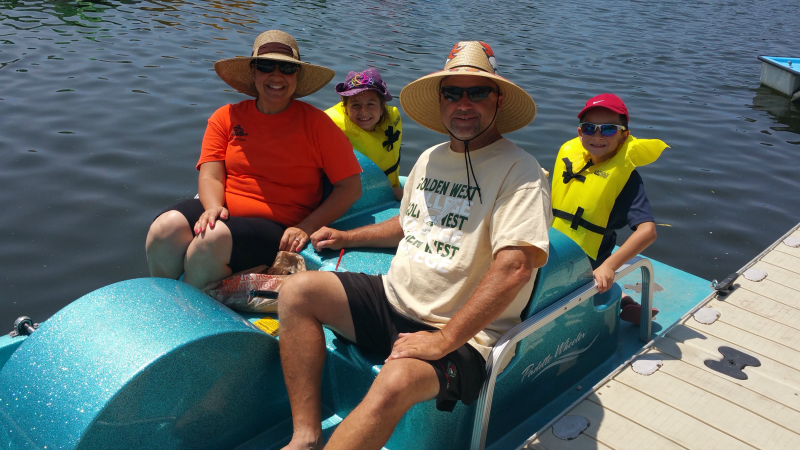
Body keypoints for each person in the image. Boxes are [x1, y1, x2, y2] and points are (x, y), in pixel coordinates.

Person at [277, 41, 551, 450]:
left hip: (461, 336)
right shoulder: (430, 158)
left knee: (396, 381)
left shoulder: (521, 170)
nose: (464, 104)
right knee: (299, 291)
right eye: (452, 92)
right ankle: (305, 435)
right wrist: (347, 237)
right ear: (440, 100)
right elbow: (408, 225)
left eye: (477, 92)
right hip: (392, 301)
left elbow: (515, 267)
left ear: (498, 100)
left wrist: (443, 341)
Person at [145, 30, 362, 290]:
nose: (276, 75)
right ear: (254, 72)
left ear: (297, 75)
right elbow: (211, 174)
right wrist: (213, 206)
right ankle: (161, 299)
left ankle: (187, 315)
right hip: (225, 211)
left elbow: (350, 188)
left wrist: (306, 226)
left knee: (209, 241)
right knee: (164, 229)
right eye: (266, 66)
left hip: (278, 225)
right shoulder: (226, 116)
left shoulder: (319, 125)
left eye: (287, 68)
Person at [551, 93, 666, 323]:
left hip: (588, 264)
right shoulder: (571, 161)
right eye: (590, 128)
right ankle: (624, 300)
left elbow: (648, 231)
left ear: (624, 136)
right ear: (579, 132)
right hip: (552, 250)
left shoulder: (626, 178)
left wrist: (609, 266)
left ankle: (619, 300)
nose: (598, 136)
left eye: (609, 130)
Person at [325, 68, 404, 200]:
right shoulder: (333, 132)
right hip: (355, 201)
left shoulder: (391, 120)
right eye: (355, 104)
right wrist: (398, 194)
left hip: (389, 189)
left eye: (371, 104)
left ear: (382, 107)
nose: (363, 111)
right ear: (345, 107)